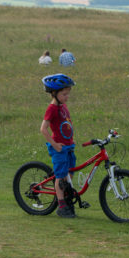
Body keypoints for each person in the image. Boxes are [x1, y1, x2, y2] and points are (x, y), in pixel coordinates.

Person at [39, 73, 78, 218]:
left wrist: (71, 140)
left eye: (68, 94)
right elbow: (43, 129)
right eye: (64, 94)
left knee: (70, 172)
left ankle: (66, 196)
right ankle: (61, 205)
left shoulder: (62, 106)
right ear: (54, 93)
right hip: (59, 148)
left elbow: (67, 124)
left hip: (68, 146)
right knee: (60, 176)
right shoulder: (52, 109)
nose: (67, 97)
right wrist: (54, 144)